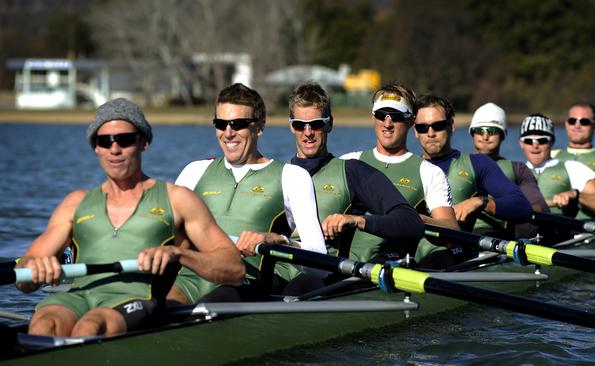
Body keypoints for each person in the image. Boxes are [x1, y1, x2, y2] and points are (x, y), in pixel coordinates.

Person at [16, 98, 245, 337]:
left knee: (91, 326)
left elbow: (234, 269)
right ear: (96, 147)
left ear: (143, 142)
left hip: (135, 299)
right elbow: (23, 279)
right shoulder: (75, 203)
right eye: (105, 141)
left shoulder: (178, 200)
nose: (114, 149)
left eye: (124, 140)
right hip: (78, 296)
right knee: (44, 325)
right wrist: (33, 269)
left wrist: (179, 254)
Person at [168, 83, 326, 303]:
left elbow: (319, 263)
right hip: (189, 280)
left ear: (259, 126)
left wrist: (277, 239)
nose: (228, 133)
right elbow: (165, 237)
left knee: (211, 305)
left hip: (245, 281)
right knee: (158, 308)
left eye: (238, 124)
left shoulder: (292, 176)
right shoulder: (194, 171)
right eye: (221, 124)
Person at [287, 81, 424, 265]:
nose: (308, 132)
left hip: (320, 278)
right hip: (277, 271)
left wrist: (355, 220)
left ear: (330, 124)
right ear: (291, 126)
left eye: (317, 124)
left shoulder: (353, 171)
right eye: (299, 125)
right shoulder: (279, 174)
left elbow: (411, 223)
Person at [340, 83, 462, 270]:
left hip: (391, 265)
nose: (387, 124)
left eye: (396, 117)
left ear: (411, 121)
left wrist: (416, 220)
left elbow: (452, 231)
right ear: (373, 117)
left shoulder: (429, 172)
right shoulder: (348, 161)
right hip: (343, 265)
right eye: (382, 115)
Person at [413, 94, 532, 240]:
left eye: (438, 126)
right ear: (415, 131)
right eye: (423, 128)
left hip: (456, 251)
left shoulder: (478, 164)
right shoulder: (407, 168)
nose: (431, 133)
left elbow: (522, 207)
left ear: (451, 126)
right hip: (411, 254)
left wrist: (480, 202)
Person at [518, 113, 595, 226]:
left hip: (561, 235)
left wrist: (575, 196)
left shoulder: (572, 168)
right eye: (528, 141)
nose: (535, 145)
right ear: (521, 144)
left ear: (551, 142)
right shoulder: (513, 171)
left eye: (542, 140)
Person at [469, 102, 549, 238]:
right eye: (480, 130)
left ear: (503, 135)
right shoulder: (457, 163)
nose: (485, 136)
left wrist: (511, 208)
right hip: (462, 232)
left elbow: (541, 207)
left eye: (492, 131)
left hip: (500, 235)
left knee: (532, 227)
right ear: (472, 133)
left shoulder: (518, 169)